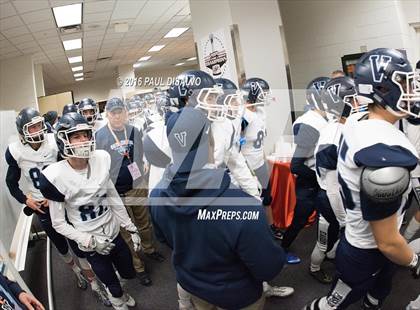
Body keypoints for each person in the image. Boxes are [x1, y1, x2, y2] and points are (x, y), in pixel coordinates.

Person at [304, 48, 420, 310]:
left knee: (379, 291)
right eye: (404, 82)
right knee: (335, 303)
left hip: (369, 234)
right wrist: (414, 260)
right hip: (368, 248)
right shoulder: (385, 154)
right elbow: (388, 243)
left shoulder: (358, 121)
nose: (412, 89)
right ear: (381, 88)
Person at [149, 107, 287, 309]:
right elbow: (268, 268)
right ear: (210, 143)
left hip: (195, 286)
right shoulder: (243, 208)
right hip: (239, 295)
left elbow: (165, 239)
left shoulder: (156, 197)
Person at [5, 108, 110, 307]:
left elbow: (69, 168)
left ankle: (95, 283)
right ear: (22, 131)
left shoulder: (55, 141)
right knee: (61, 247)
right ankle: (76, 272)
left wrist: (56, 194)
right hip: (42, 209)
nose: (38, 130)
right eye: (32, 126)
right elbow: (11, 183)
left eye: (39, 124)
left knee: (80, 245)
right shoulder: (15, 151)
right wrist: (26, 200)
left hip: (62, 201)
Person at [39, 112, 141, 310]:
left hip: (113, 232)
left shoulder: (101, 158)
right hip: (91, 241)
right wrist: (90, 242)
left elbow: (112, 196)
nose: (83, 140)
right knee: (110, 281)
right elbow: (58, 223)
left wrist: (129, 226)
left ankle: (119, 290)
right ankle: (117, 299)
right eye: (76, 136)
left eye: (86, 135)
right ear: (63, 140)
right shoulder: (55, 176)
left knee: (128, 272)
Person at [95, 98, 164, 287]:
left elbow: (138, 156)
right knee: (126, 232)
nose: (117, 116)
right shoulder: (100, 136)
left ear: (125, 113)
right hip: (115, 192)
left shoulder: (134, 130)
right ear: (107, 114)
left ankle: (149, 249)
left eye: (120, 112)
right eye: (113, 112)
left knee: (144, 223)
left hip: (136, 185)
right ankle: (139, 267)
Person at [309, 76, 359, 284]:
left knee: (341, 234)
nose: (359, 103)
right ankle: (314, 267)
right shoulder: (332, 135)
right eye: (354, 99)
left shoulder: (347, 124)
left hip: (342, 191)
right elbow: (331, 186)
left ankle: (332, 254)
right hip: (330, 195)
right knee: (325, 239)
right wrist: (343, 219)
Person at [281, 76, 330, 264]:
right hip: (310, 182)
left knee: (328, 219)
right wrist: (319, 177)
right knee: (299, 221)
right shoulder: (310, 123)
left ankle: (325, 251)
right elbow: (296, 165)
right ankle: (282, 250)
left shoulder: (322, 119)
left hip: (320, 179)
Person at [240, 77, 283, 240]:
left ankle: (271, 227)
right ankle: (255, 234)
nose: (265, 96)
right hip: (246, 167)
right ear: (253, 94)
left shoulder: (260, 112)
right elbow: (234, 143)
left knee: (267, 197)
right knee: (252, 202)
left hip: (259, 163)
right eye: (263, 93)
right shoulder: (242, 116)